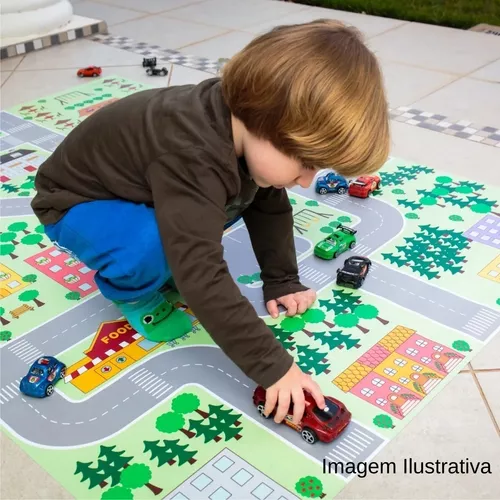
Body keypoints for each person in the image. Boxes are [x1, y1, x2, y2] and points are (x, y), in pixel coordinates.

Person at [31, 19, 389, 425]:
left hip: (140, 186)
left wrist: (282, 279)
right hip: (76, 204)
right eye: (305, 162)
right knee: (157, 247)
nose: (309, 180)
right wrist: (274, 368)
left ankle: (157, 256)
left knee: (247, 194)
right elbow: (200, 269)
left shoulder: (246, 128)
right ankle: (132, 293)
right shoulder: (194, 153)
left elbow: (269, 206)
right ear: (261, 121)